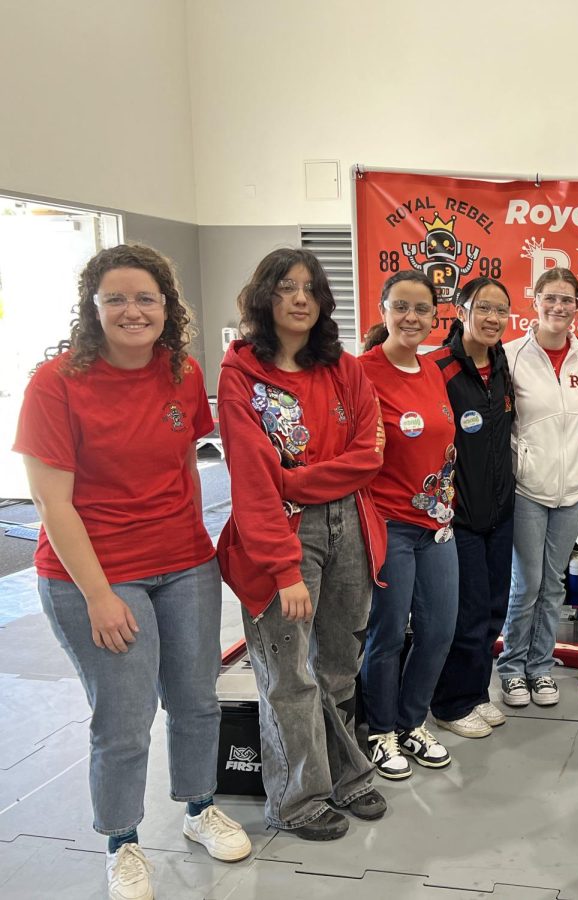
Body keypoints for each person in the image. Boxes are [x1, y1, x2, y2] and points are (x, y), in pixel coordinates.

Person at [14, 243, 250, 900]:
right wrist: (97, 594)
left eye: (146, 298)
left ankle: (200, 807)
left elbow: (201, 456)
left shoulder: (178, 372)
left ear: (167, 308)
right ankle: (121, 842)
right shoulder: (55, 383)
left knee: (198, 699)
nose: (132, 310)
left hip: (184, 564)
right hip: (94, 572)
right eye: (115, 298)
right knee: (123, 715)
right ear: (92, 308)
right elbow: (51, 503)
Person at [217, 248, 388, 842]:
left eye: (310, 289)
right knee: (288, 675)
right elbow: (250, 479)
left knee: (339, 666)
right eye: (287, 287)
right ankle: (297, 798)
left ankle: (345, 772)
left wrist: (291, 477)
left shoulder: (342, 367)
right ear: (264, 296)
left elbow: (370, 455)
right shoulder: (241, 374)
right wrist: (283, 568)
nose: (299, 298)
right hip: (279, 536)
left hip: (349, 528)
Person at [358, 271, 459, 776]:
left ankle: (411, 722)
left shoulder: (432, 369)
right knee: (388, 634)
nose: (412, 317)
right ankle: (379, 730)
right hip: (388, 525)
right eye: (401, 307)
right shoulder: (361, 373)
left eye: (422, 309)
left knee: (439, 629)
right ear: (383, 310)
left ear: (435, 316)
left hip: (437, 525)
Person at [497, 267, 578, 707]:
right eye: (549, 298)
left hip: (575, 487)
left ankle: (540, 666)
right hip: (527, 489)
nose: (559, 307)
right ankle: (512, 667)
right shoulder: (510, 355)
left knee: (554, 583)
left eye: (567, 300)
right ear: (534, 301)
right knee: (527, 583)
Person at [427, 277, 516, 738]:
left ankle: (477, 692)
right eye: (484, 308)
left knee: (493, 609)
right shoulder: (439, 368)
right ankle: (450, 702)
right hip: (459, 516)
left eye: (501, 311)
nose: (493, 318)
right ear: (462, 310)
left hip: (501, 513)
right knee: (467, 612)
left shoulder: (501, 365)